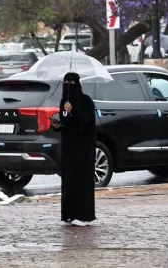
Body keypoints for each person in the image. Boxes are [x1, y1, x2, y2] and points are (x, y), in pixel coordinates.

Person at [52, 72, 96, 226]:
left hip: (83, 149)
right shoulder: (64, 101)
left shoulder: (86, 101)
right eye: (66, 83)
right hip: (68, 148)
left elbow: (87, 121)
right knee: (69, 181)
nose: (68, 87)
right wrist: (57, 125)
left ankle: (84, 215)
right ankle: (69, 214)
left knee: (82, 181)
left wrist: (74, 111)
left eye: (72, 83)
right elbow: (66, 123)